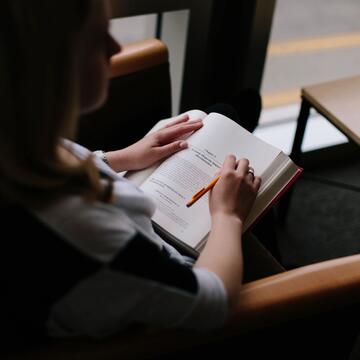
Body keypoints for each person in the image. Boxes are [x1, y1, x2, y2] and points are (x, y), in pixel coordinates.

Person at [1, 0, 269, 347]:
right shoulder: (83, 234)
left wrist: (117, 159)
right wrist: (228, 216)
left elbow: (49, 160)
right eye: (99, 38)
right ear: (49, 68)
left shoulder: (17, 134)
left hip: (127, 242)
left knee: (226, 112)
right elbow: (212, 304)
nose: (116, 48)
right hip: (180, 282)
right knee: (250, 169)